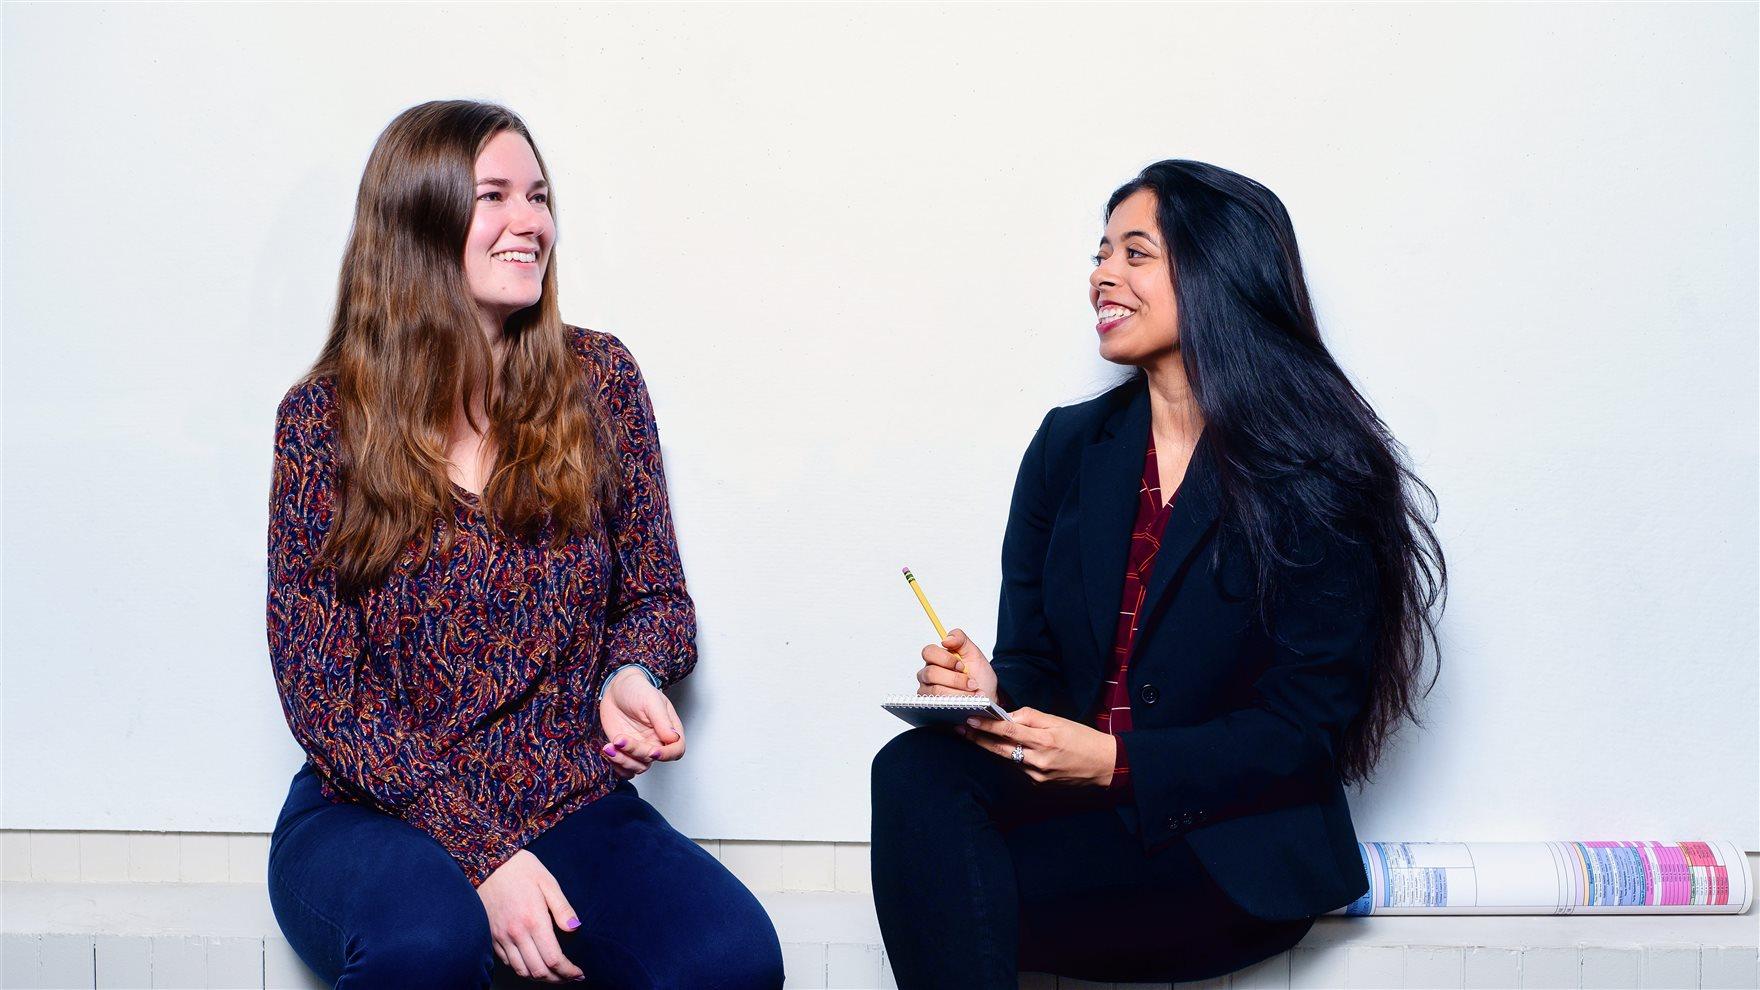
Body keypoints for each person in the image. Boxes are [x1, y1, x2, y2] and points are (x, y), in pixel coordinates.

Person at [870, 160, 1446, 988]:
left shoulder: (1320, 466)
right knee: (913, 772)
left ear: (1216, 272)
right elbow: (1039, 667)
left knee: (951, 894)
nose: (1102, 275)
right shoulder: (1067, 447)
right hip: (1079, 809)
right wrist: (992, 689)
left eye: (1135, 253)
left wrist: (1118, 763)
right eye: (1101, 253)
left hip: (1226, 844)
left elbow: (1300, 736)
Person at [264, 100, 784, 990]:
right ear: (418, 220)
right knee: (428, 943)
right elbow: (323, 694)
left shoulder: (600, 380)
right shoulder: (323, 420)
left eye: (538, 196)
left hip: (564, 799)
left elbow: (657, 600)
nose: (530, 222)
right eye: (494, 196)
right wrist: (483, 856)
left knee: (730, 959)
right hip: (373, 810)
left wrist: (630, 674)